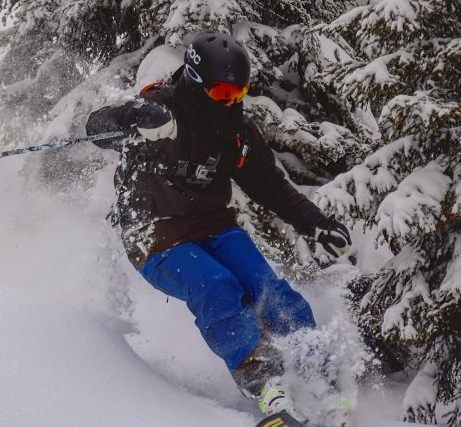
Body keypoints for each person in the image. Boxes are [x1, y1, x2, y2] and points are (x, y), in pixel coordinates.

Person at [85, 31, 352, 418]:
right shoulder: (159, 109)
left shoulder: (236, 132)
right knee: (216, 286)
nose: (230, 102)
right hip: (156, 236)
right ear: (196, 82)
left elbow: (270, 187)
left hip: (214, 226)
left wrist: (315, 223)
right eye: (222, 93)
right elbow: (97, 126)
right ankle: (265, 383)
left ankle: (320, 375)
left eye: (238, 93)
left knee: (267, 288)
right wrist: (133, 117)